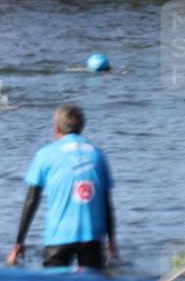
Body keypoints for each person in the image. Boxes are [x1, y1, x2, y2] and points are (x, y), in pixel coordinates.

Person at [7, 104, 117, 269]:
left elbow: (31, 200)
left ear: (56, 127)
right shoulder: (98, 155)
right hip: (92, 238)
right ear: (81, 127)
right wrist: (111, 241)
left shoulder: (45, 154)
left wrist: (19, 243)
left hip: (58, 238)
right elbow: (107, 203)